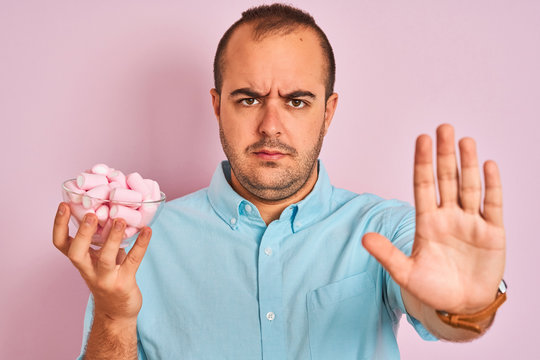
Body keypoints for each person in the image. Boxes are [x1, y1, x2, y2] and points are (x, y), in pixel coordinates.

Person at [53, 4, 506, 359]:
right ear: (217, 106)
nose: (271, 125)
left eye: (296, 101)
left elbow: (439, 306)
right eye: (249, 99)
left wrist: (465, 307)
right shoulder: (140, 242)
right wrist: (113, 317)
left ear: (328, 112)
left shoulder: (385, 228)